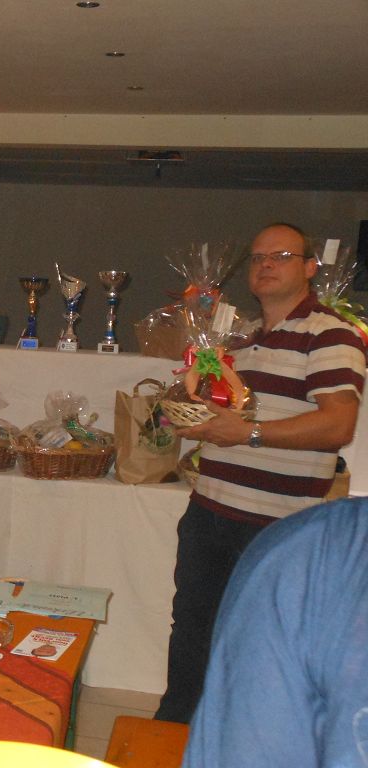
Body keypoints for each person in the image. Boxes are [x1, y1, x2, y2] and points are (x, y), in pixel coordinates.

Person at [155, 222, 367, 723]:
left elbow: (338, 425)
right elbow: (224, 416)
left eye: (282, 256)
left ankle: (245, 744)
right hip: (209, 512)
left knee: (262, 647)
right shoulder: (238, 338)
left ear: (309, 267)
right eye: (257, 258)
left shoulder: (331, 333)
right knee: (192, 634)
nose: (266, 264)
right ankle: (174, 737)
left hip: (278, 526)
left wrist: (247, 434)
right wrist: (190, 415)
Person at [184, 497, 368, 767]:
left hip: (273, 514)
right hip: (219, 506)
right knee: (193, 635)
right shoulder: (315, 554)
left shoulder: (320, 552)